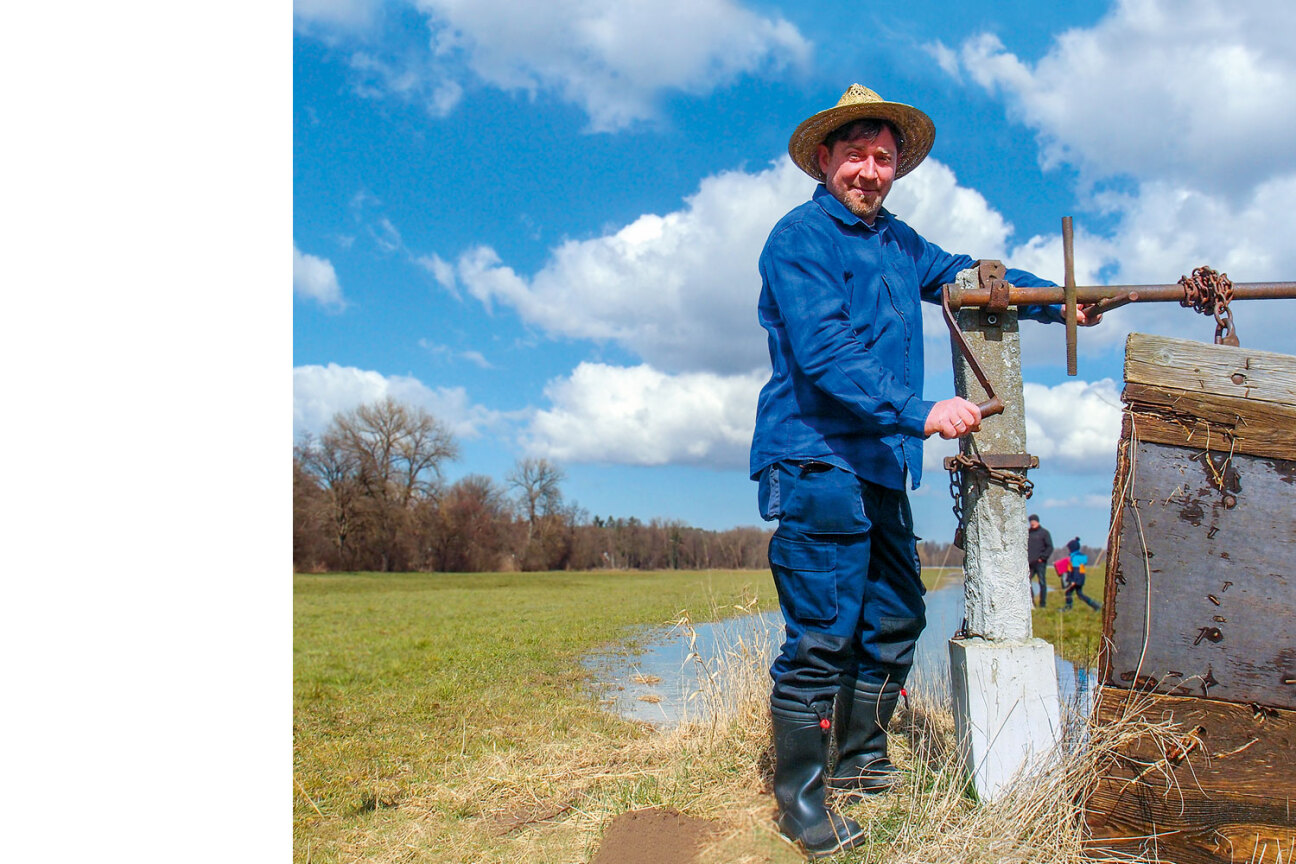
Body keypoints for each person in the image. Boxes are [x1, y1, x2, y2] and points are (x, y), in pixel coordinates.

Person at [750, 83, 1102, 858]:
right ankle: (803, 805)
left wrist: (1061, 301)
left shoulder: (899, 244)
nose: (870, 171)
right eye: (855, 156)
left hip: (877, 466)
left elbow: (972, 279)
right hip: (814, 460)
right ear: (823, 160)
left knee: (897, 615)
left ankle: (860, 760)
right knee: (821, 635)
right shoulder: (798, 240)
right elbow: (826, 352)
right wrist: (921, 409)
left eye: (884, 157)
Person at [1063, 537, 1102, 611]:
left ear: (1072, 548)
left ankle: (1068, 607)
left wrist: (1074, 581)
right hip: (1080, 579)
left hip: (1076, 579)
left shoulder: (1075, 558)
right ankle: (1095, 606)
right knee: (1079, 594)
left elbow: (1076, 571)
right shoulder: (1079, 557)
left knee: (1069, 592)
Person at [1027, 514, 1054, 608]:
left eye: (1033, 521)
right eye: (1030, 521)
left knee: (1042, 582)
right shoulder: (1028, 533)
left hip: (1040, 562)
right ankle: (1031, 602)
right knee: (1027, 581)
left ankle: (1043, 604)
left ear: (1037, 521)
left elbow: (1050, 547)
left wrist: (1043, 557)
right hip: (1029, 563)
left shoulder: (1044, 533)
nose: (1032, 523)